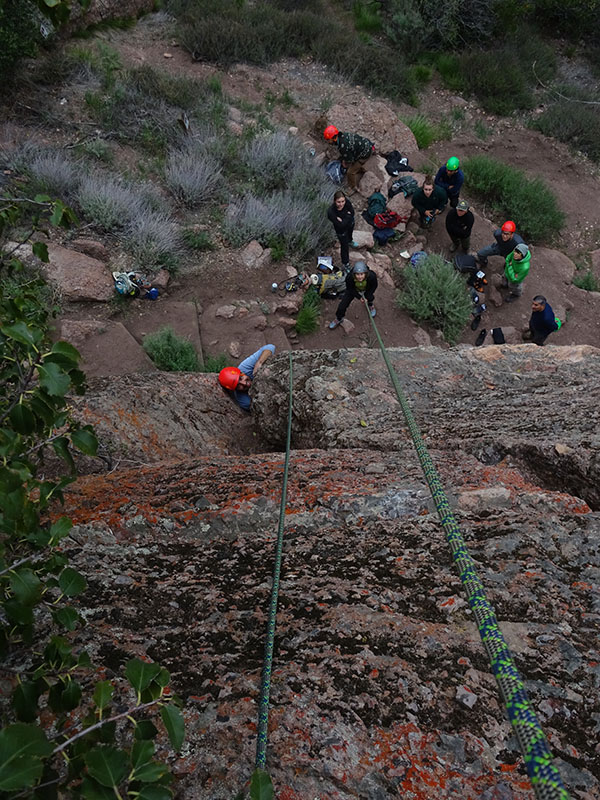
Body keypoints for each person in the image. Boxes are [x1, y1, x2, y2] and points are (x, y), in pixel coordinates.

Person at [218, 344, 275, 411]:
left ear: (241, 373)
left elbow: (270, 347)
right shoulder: (244, 400)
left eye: (241, 378)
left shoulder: (244, 368)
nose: (244, 383)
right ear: (235, 390)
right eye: (238, 386)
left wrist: (259, 362)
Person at [323, 125, 375, 191]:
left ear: (333, 138)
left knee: (350, 172)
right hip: (366, 145)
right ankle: (360, 169)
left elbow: (350, 160)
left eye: (328, 140)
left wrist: (345, 163)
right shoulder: (343, 136)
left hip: (365, 154)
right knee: (350, 163)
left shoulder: (343, 146)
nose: (328, 141)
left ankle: (353, 187)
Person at [329, 260, 377, 328]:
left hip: (367, 288)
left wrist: (367, 295)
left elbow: (374, 286)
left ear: (365, 274)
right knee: (342, 306)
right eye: (357, 274)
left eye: (361, 274)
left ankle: (370, 305)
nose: (360, 277)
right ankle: (339, 318)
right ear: (354, 274)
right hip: (354, 289)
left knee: (370, 297)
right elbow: (350, 289)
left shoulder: (372, 276)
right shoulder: (349, 278)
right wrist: (359, 297)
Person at [327, 189, 355, 272]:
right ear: (334, 201)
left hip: (350, 224)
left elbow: (352, 213)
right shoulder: (331, 211)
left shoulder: (347, 203)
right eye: (338, 202)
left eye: (343, 201)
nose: (341, 204)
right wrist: (347, 215)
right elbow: (340, 225)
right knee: (344, 246)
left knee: (350, 233)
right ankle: (345, 263)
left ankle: (350, 240)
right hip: (341, 231)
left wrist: (343, 219)